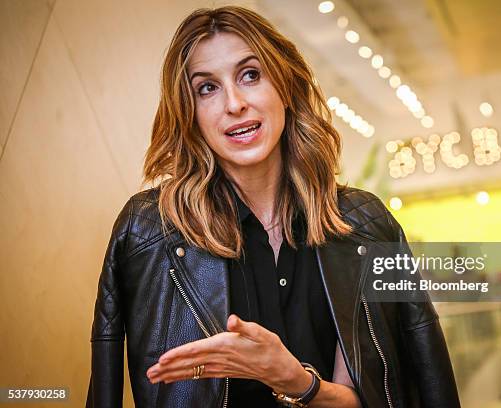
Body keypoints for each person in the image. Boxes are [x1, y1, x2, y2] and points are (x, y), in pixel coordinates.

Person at [86, 6, 460, 408]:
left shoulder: (366, 224)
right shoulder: (147, 231)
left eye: (250, 75)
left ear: (285, 85)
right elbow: (104, 386)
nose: (234, 103)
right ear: (189, 113)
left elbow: (413, 381)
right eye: (206, 88)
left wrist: (295, 380)